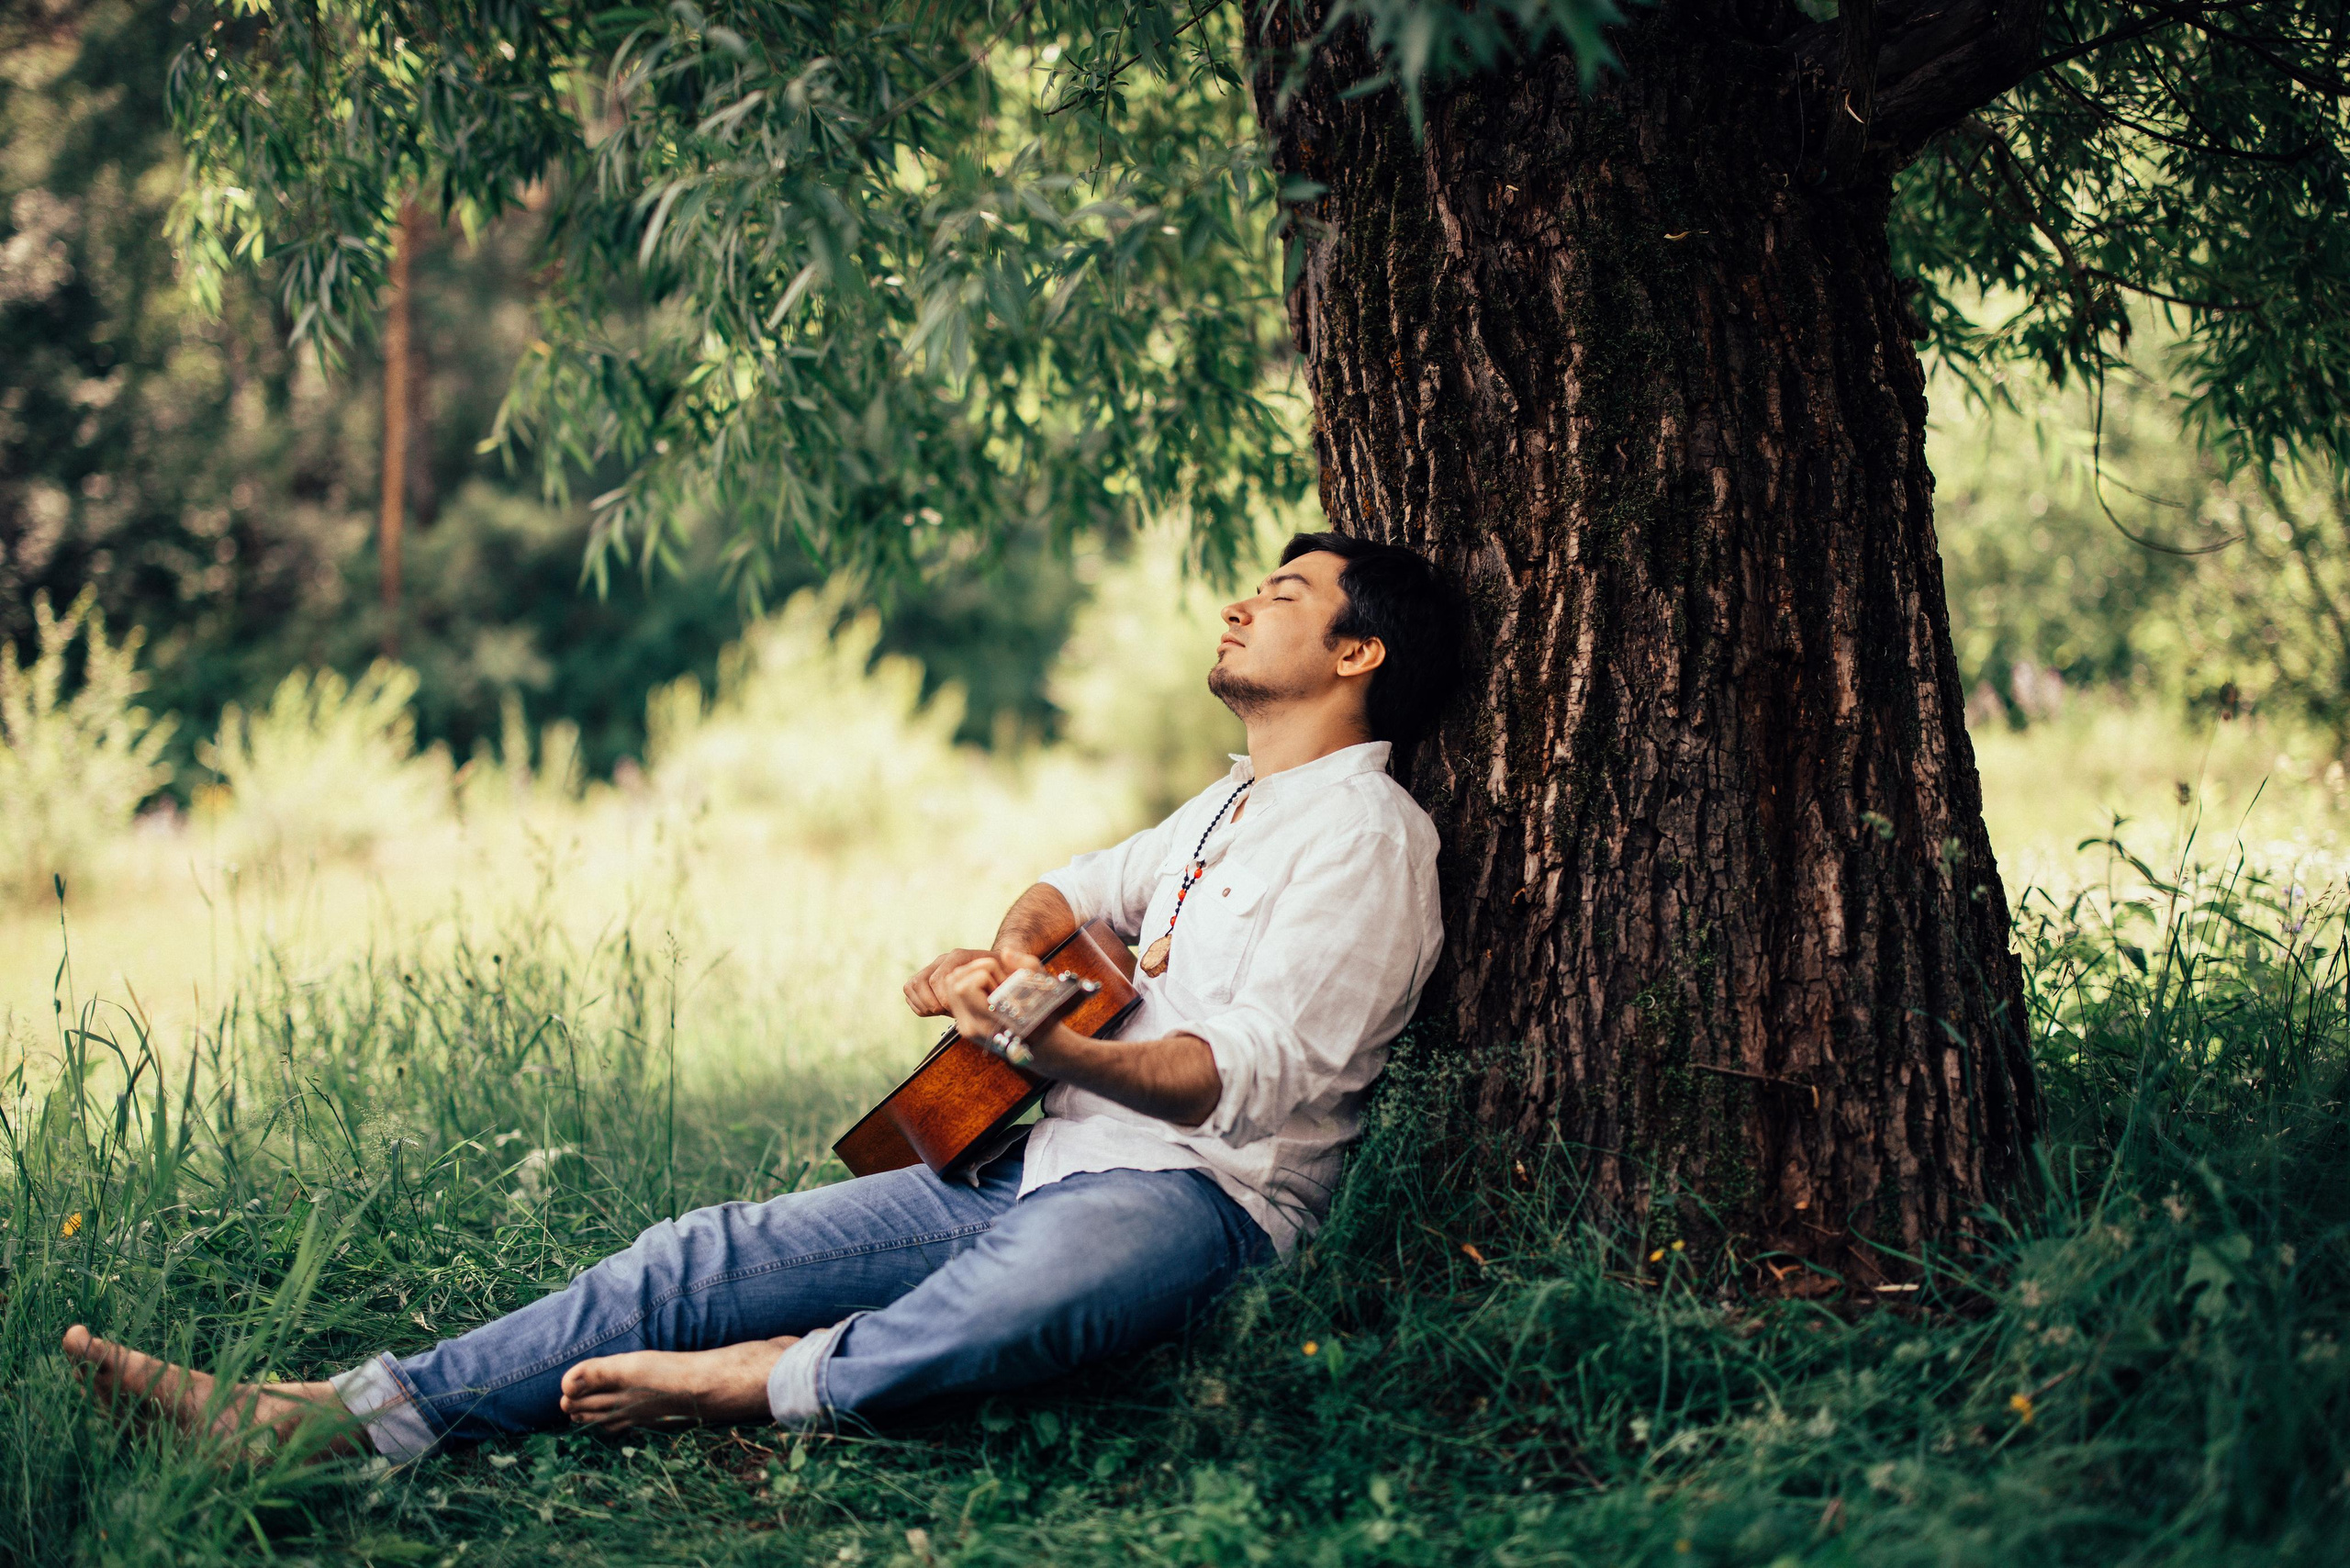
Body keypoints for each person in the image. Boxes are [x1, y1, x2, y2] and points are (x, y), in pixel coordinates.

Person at [63, 531, 1462, 1459]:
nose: (1239, 602)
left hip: (1195, 1201)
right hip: (1036, 1156)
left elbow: (1243, 1077)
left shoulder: (1367, 841)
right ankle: (335, 1420)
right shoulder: (1228, 805)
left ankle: (760, 1379)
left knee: (1020, 1298)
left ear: (1358, 657)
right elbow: (1069, 891)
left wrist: (1051, 1044)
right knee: (695, 1255)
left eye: (1283, 596)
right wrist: (1003, 963)